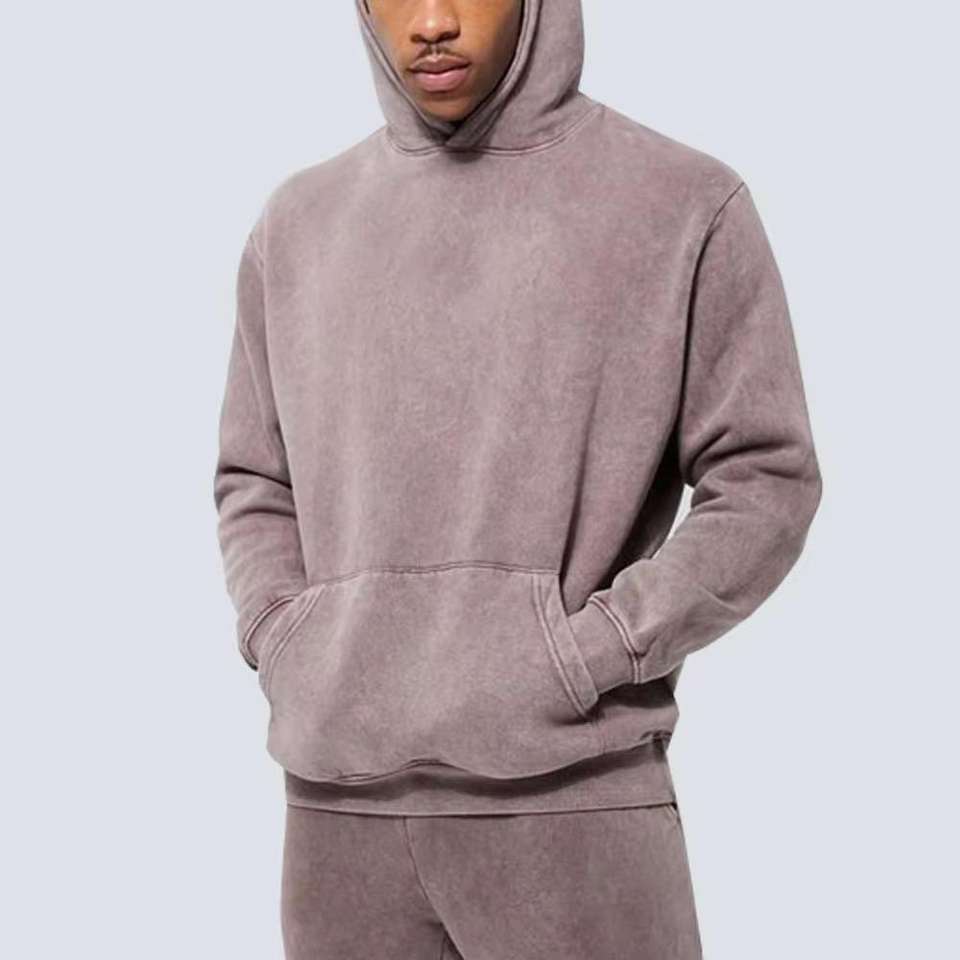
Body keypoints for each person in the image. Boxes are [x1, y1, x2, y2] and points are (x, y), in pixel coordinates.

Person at [213, 1, 823, 957]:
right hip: (337, 812)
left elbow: (766, 478)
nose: (433, 21)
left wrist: (601, 648)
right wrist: (284, 634)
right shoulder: (297, 223)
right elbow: (255, 474)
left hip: (571, 802)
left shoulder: (679, 203)